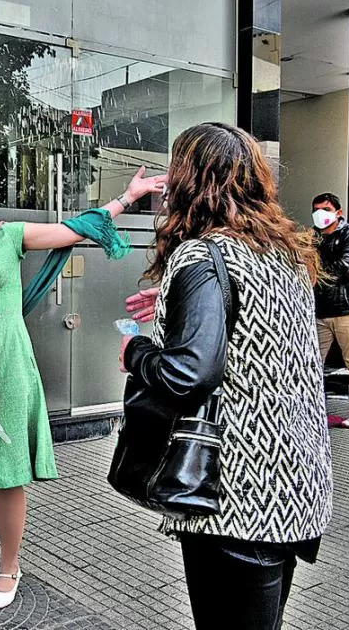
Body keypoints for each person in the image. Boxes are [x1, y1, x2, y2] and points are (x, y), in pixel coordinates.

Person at [120, 123, 333, 630]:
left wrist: (136, 351)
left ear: (192, 177)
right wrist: (180, 301)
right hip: (295, 484)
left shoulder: (201, 254)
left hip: (236, 494)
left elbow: (188, 373)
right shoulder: (286, 253)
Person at [0, 168, 165, 609]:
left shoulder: (8, 235)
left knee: (6, 470)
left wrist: (127, 198)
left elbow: (73, 228)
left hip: (9, 365)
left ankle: (9, 567)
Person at [311, 192, 349, 428]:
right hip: (320, 310)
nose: (319, 214)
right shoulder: (312, 237)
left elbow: (344, 265)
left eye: (325, 209)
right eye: (316, 209)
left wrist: (313, 272)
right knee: (313, 361)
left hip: (348, 307)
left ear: (338, 212)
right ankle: (312, 406)